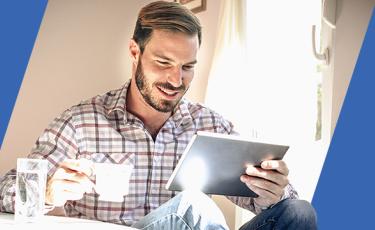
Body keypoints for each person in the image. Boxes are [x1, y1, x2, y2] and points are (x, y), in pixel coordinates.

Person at [0, 1, 317, 229]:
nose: (176, 80)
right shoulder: (81, 122)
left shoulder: (210, 125)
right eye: (164, 63)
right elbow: (6, 190)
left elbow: (272, 206)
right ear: (135, 53)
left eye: (188, 67)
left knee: (299, 212)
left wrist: (272, 192)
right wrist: (47, 190)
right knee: (189, 207)